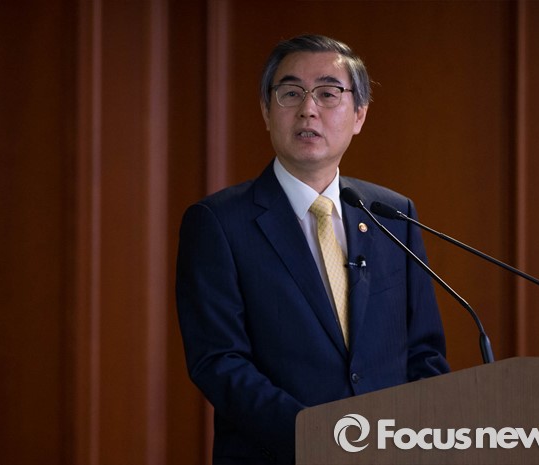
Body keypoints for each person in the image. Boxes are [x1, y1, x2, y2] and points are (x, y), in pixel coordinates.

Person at [175, 34, 449, 465]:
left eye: (328, 93)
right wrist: (318, 438)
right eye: (291, 93)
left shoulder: (392, 214)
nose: (308, 109)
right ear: (266, 111)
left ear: (359, 114)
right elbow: (219, 362)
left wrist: (405, 439)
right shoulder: (218, 223)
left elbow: (425, 353)